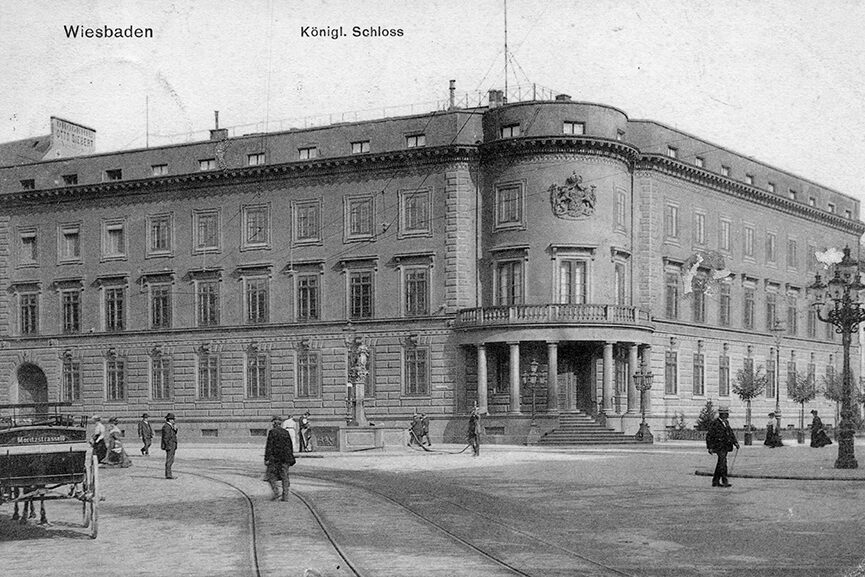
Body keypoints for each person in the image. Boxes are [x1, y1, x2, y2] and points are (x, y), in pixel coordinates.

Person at [706, 406, 739, 487]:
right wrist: (709, 447)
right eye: (726, 413)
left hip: (725, 446)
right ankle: (724, 480)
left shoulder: (726, 422)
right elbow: (709, 436)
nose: (727, 415)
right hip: (718, 446)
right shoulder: (715, 423)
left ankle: (715, 481)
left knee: (720, 463)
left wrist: (735, 443)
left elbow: (730, 433)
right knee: (723, 463)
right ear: (722, 414)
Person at [265, 415, 296, 501]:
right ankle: (285, 496)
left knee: (270, 476)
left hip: (275, 459)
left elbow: (269, 446)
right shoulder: (286, 432)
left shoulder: (272, 432)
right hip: (285, 458)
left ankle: (276, 492)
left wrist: (267, 459)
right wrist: (290, 457)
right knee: (285, 476)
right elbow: (290, 446)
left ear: (274, 424)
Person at [161, 413, 178, 479]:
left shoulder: (170, 426)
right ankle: (168, 475)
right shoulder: (166, 426)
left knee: (171, 460)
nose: (174, 420)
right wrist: (167, 446)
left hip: (172, 445)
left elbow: (173, 434)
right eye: (173, 419)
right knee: (169, 460)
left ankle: (169, 474)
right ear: (170, 420)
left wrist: (175, 429)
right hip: (170, 445)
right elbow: (166, 437)